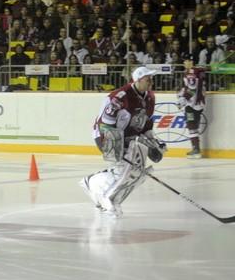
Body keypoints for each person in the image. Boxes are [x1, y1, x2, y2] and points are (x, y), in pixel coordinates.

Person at [79, 67, 167, 217]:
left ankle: (92, 182)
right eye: (148, 79)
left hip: (129, 138)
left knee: (138, 174)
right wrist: (113, 144)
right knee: (125, 170)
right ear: (138, 80)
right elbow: (105, 123)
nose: (151, 82)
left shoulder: (150, 97)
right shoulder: (120, 96)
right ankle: (108, 200)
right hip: (107, 135)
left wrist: (154, 143)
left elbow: (146, 125)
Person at [177, 55, 206, 158]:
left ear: (190, 61)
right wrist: (181, 93)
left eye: (185, 61)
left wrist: (184, 98)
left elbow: (192, 89)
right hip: (199, 103)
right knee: (193, 126)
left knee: (191, 125)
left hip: (192, 104)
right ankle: (196, 148)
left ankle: (196, 149)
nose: (184, 63)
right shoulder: (198, 71)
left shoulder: (191, 72)